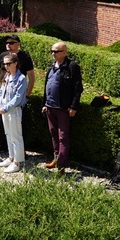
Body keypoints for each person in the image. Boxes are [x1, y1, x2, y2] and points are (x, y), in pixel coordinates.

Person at [42, 42, 83, 172]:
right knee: (53, 134)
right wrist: (44, 104)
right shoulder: (52, 67)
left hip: (63, 108)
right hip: (50, 107)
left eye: (56, 51)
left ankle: (61, 166)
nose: (53, 54)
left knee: (62, 137)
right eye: (52, 51)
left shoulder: (72, 66)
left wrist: (73, 106)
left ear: (64, 52)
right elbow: (46, 86)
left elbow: (78, 88)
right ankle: (56, 158)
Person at [0, 34, 35, 152]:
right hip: (4, 94)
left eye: (11, 42)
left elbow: (31, 77)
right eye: (7, 43)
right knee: (3, 124)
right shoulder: (3, 55)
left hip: (17, 97)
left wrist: (27, 95)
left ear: (18, 44)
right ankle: (3, 147)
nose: (8, 45)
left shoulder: (25, 57)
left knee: (19, 125)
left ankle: (20, 152)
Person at [0, 53, 27, 173]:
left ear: (15, 63)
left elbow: (18, 98)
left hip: (14, 111)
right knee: (8, 134)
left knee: (16, 136)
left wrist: (6, 107)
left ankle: (17, 162)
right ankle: (11, 157)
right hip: (4, 110)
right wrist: (0, 105)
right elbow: (1, 93)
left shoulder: (21, 79)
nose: (6, 66)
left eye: (8, 64)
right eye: (4, 64)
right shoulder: (7, 76)